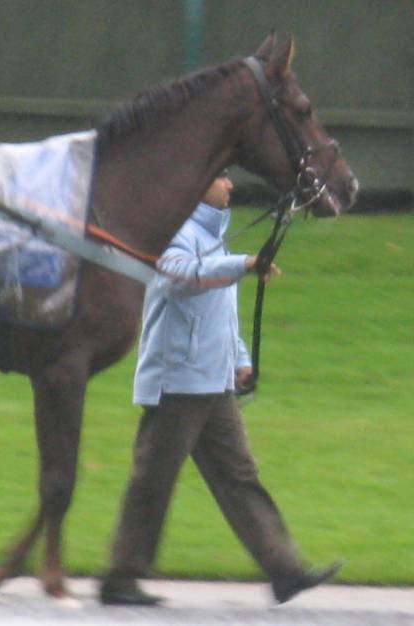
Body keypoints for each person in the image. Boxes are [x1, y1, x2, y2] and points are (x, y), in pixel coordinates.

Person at [99, 171, 341, 606]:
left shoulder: (213, 237)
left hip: (212, 382)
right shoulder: (175, 232)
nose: (230, 185)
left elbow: (219, 313)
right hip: (178, 382)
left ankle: (285, 571)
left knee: (239, 476)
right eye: (222, 177)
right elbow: (181, 277)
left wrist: (239, 359)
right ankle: (120, 577)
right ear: (199, 183)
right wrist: (242, 265)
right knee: (154, 479)